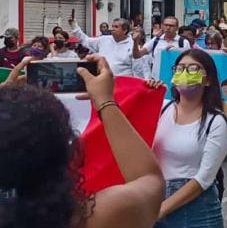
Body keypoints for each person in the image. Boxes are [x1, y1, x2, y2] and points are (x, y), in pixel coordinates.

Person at [0, 55, 165, 227]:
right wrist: (105, 101)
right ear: (68, 148)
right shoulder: (103, 214)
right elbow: (149, 178)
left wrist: (4, 102)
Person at [154, 49, 227, 227]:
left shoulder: (217, 121)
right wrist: (147, 93)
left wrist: (161, 209)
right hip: (155, 198)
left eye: (193, 69)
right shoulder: (160, 109)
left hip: (196, 212)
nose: (184, 74)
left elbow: (204, 178)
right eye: (179, 68)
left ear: (208, 80)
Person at [70, 18, 137, 77]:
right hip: (104, 83)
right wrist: (74, 25)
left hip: (124, 84)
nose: (113, 29)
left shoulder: (133, 45)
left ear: (125, 30)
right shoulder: (104, 39)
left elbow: (137, 68)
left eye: (116, 27)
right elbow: (85, 40)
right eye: (112, 26)